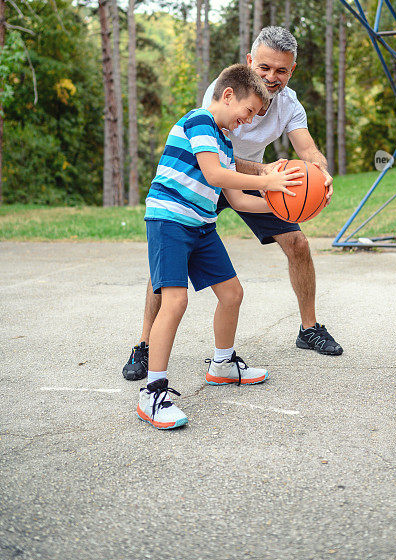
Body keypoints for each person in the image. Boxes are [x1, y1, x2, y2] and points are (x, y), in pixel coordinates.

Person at [124, 26, 343, 384]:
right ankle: (145, 344)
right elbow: (218, 163)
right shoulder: (226, 91)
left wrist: (318, 175)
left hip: (251, 181)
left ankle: (308, 329)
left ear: (292, 70)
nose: (272, 77)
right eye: (266, 67)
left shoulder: (289, 104)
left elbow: (305, 148)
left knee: (297, 242)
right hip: (217, 177)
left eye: (282, 70)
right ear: (249, 61)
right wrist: (265, 175)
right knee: (166, 263)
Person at [137, 63, 304, 429]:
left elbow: (238, 199)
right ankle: (152, 392)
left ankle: (223, 364)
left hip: (200, 224)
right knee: (176, 300)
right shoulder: (199, 121)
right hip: (169, 220)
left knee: (232, 294)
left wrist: (291, 206)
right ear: (228, 95)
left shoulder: (225, 139)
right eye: (248, 112)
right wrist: (268, 180)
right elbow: (214, 174)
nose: (248, 121)